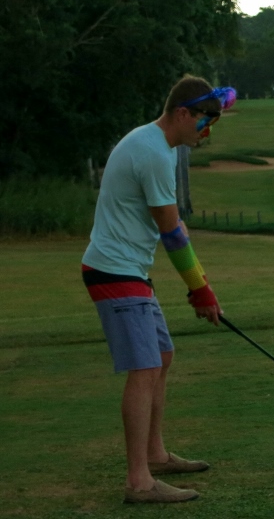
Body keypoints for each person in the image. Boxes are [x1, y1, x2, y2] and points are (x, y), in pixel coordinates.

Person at [81, 75, 235, 503]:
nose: (207, 132)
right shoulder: (151, 152)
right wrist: (200, 291)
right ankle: (139, 481)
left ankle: (155, 454)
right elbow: (171, 233)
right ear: (183, 113)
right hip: (114, 272)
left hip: (129, 271)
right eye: (205, 121)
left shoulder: (157, 147)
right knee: (145, 368)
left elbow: (175, 225)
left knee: (161, 355)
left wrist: (202, 286)